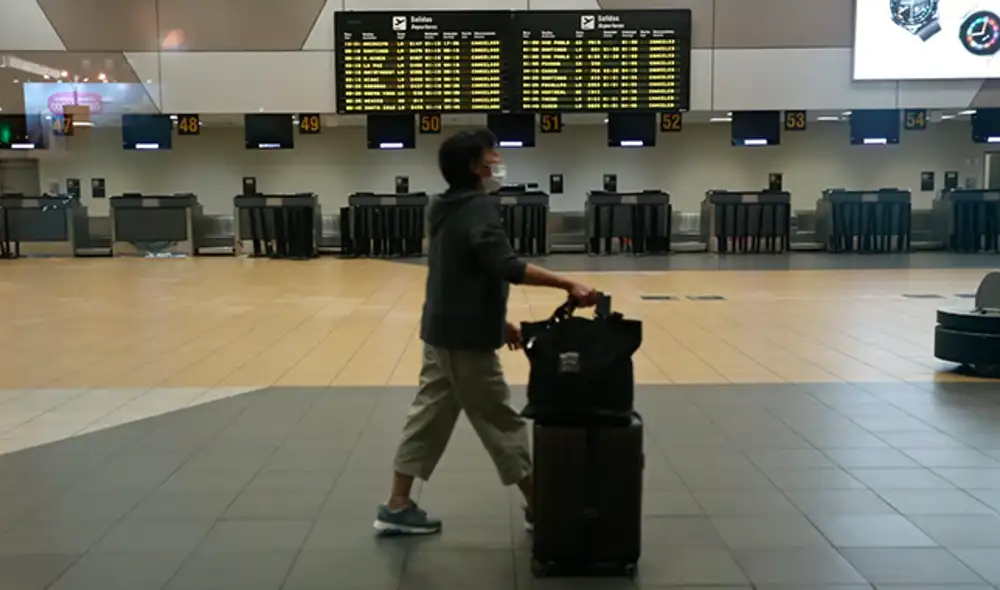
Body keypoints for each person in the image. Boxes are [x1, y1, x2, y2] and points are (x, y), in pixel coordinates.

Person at [373, 128, 599, 536]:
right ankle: (541, 507)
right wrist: (568, 284)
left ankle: (397, 504)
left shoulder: (443, 206)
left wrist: (497, 322)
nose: (498, 160)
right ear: (476, 166)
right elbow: (505, 265)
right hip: (466, 343)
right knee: (500, 420)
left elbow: (459, 274)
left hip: (440, 331)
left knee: (428, 416)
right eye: (492, 154)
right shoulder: (479, 208)